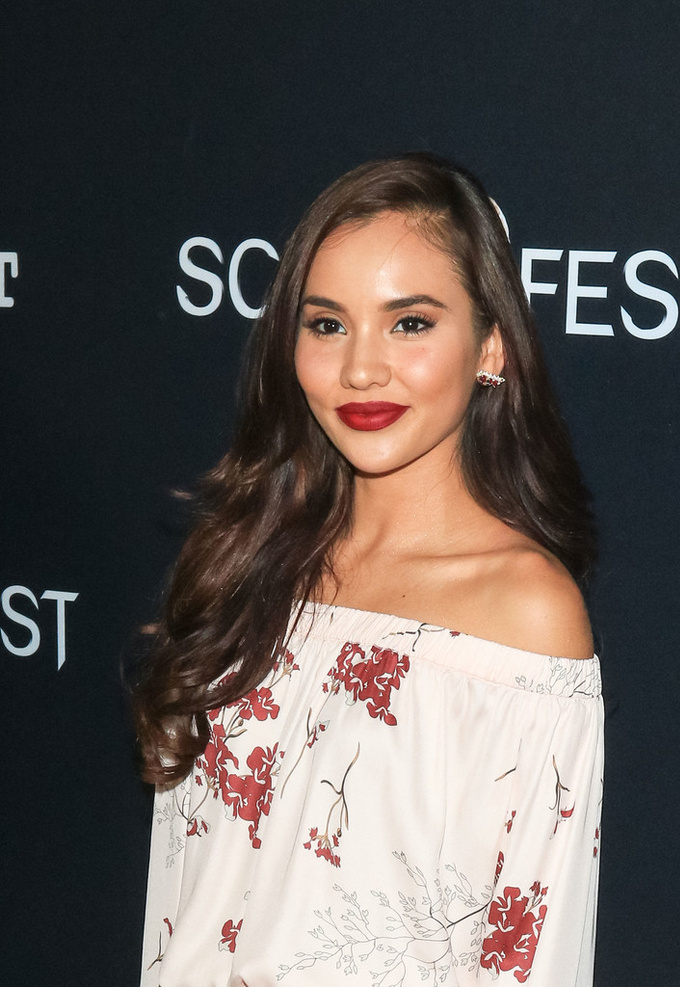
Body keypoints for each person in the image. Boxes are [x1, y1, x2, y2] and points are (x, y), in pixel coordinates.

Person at [133, 153, 604, 986]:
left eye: (409, 322)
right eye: (327, 324)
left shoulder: (524, 610)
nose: (360, 368)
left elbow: (530, 950)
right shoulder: (249, 560)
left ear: (491, 344)